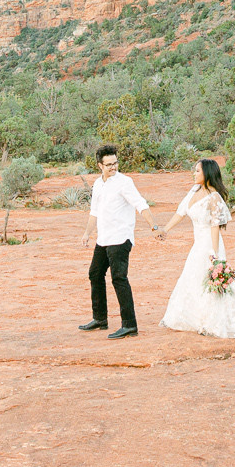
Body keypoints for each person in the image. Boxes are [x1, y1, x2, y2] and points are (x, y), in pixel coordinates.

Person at [157, 157, 235, 339]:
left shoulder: (214, 198)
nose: (194, 173)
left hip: (209, 244)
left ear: (207, 173)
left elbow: (215, 227)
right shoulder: (194, 191)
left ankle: (210, 323)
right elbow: (180, 213)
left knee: (209, 281)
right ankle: (197, 320)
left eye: (197, 171)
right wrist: (165, 229)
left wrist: (214, 254)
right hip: (197, 244)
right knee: (192, 277)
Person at [79, 143, 159, 339]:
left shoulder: (125, 182)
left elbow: (141, 204)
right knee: (95, 274)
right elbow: (94, 212)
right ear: (100, 165)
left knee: (119, 278)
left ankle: (130, 325)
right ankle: (100, 319)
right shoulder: (98, 184)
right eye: (109, 164)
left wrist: (154, 227)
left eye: (115, 163)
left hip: (121, 238)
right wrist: (87, 233)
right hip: (103, 239)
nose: (113, 167)